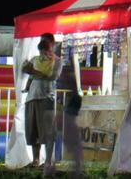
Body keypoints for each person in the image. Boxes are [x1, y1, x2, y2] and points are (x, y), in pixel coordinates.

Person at [21, 34, 59, 172]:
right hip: (31, 97)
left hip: (47, 98)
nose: (43, 50)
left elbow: (51, 77)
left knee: (47, 132)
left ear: (52, 45)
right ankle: (35, 160)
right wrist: (27, 81)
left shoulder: (57, 61)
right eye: (42, 46)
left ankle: (49, 160)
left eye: (46, 45)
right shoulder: (35, 59)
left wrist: (33, 71)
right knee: (32, 130)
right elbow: (27, 72)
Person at [56, 63, 83, 177]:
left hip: (69, 116)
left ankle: (76, 170)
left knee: (73, 146)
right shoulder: (71, 88)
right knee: (73, 147)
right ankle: (76, 169)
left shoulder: (70, 87)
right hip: (69, 114)